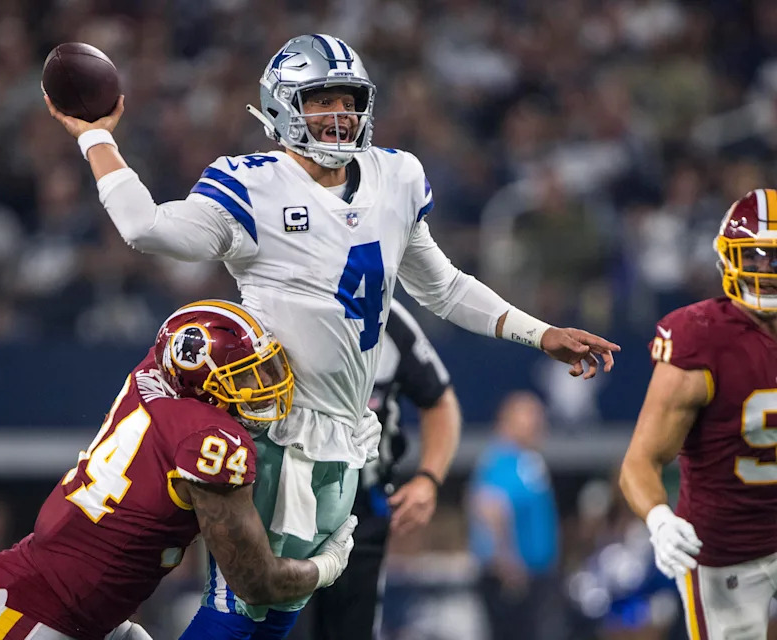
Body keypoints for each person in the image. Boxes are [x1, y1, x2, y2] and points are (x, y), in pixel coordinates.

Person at [45, 33, 619, 638]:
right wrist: (96, 137)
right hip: (273, 430)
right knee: (243, 606)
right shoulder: (252, 185)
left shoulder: (396, 176)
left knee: (277, 613)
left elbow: (444, 287)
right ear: (281, 106)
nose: (339, 115)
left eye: (348, 100)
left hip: (347, 435)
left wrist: (540, 333)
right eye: (321, 101)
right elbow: (146, 228)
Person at [0, 299, 358, 640]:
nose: (264, 385)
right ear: (203, 387)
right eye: (245, 376)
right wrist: (326, 567)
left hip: (77, 611)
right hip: (29, 613)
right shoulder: (210, 440)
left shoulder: (155, 371)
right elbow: (255, 582)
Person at [619, 189, 777, 640]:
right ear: (728, 259)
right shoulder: (701, 339)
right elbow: (639, 462)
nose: (768, 271)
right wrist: (658, 519)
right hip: (727, 549)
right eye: (756, 257)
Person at [293, 299, 461, 640]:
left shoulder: (388, 317)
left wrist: (428, 479)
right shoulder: (270, 300)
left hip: (360, 510)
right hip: (282, 506)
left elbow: (440, 401)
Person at [467, 391, 560, 640]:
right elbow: (490, 508)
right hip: (512, 579)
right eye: (531, 417)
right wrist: (507, 562)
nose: (539, 424)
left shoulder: (527, 460)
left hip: (533, 577)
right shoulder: (502, 459)